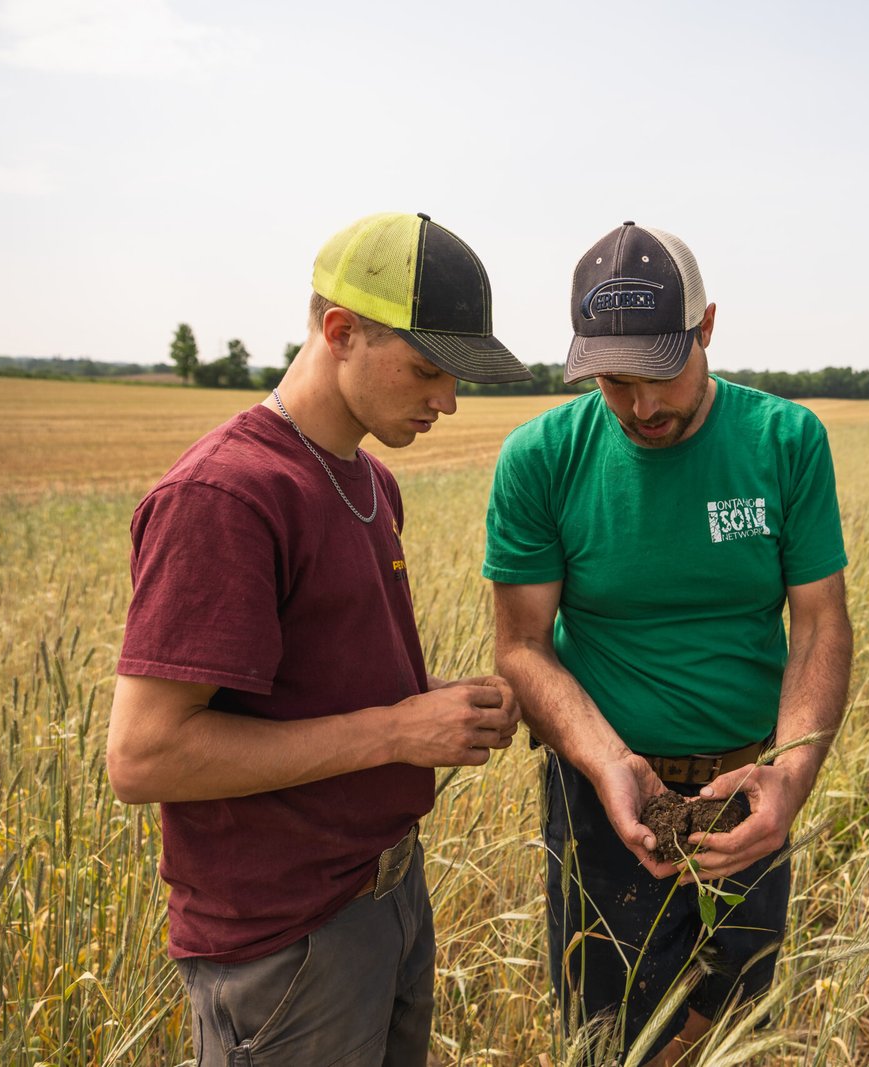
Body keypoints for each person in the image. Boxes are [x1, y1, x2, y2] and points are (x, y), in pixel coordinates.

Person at [107, 212, 530, 1067]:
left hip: (386, 897)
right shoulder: (227, 495)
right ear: (340, 332)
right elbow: (144, 756)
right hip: (286, 942)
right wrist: (400, 730)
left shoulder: (368, 478)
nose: (447, 401)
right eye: (427, 369)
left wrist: (439, 707)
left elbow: (328, 686)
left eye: (459, 379)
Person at [484, 221, 853, 1064]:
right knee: (609, 1034)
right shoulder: (541, 460)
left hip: (747, 788)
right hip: (601, 800)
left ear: (707, 328)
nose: (642, 406)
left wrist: (790, 776)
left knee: (734, 1017)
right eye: (614, 381)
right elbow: (522, 646)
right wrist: (612, 763)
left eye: (660, 373)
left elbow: (821, 622)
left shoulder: (785, 443)